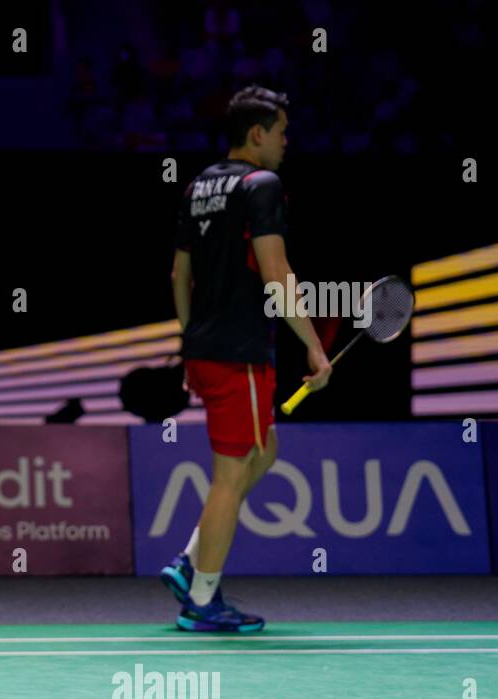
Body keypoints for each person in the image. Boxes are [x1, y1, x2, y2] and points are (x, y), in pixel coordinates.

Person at [163, 85, 332, 632]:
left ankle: (191, 562)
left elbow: (178, 275)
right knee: (231, 477)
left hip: (206, 350)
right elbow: (277, 273)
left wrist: (191, 339)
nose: (287, 141)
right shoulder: (263, 185)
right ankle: (204, 599)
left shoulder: (197, 187)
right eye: (281, 131)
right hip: (240, 353)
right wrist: (311, 342)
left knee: (266, 450)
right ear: (257, 134)